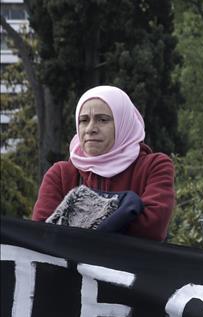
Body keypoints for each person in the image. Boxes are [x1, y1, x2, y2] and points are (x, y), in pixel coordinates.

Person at [32, 85, 175, 240]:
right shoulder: (60, 174)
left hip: (131, 264)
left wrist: (73, 218)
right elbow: (42, 236)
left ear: (123, 123)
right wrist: (126, 211)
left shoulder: (154, 166)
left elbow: (152, 228)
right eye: (83, 120)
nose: (90, 129)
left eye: (102, 120)